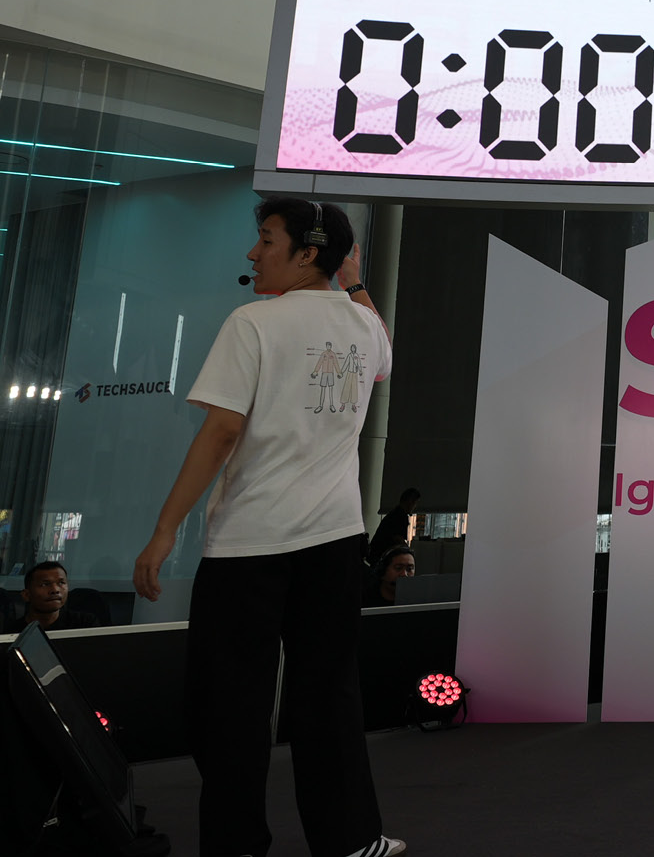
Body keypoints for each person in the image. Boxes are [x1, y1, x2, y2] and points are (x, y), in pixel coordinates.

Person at [134, 198, 408, 857]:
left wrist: (165, 529)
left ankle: (235, 844)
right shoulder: (364, 325)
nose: (253, 254)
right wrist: (353, 281)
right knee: (330, 692)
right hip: (336, 540)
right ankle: (351, 840)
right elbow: (383, 355)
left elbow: (221, 431)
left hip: (250, 544)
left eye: (265, 240)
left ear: (306, 253)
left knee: (230, 703)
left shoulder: (253, 322)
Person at [18, 560, 104, 631]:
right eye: (45, 584)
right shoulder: (14, 631)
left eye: (61, 583)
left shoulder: (85, 624)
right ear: (26, 595)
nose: (55, 590)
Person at [367, 487, 421, 566]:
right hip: (381, 556)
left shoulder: (394, 513)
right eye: (415, 503)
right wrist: (409, 552)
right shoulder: (401, 516)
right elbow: (398, 539)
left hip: (376, 554)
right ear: (410, 501)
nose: (415, 506)